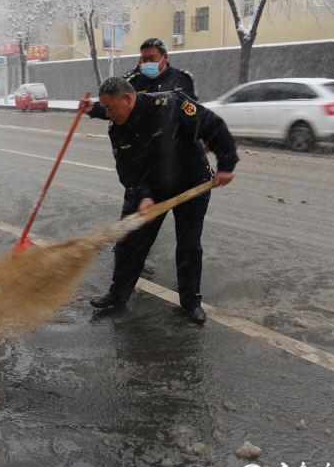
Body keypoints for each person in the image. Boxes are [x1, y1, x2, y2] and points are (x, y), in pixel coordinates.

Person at [78, 76, 239, 324]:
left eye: (109, 107)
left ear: (128, 99)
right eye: (104, 108)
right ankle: (118, 294)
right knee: (131, 240)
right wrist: (141, 196)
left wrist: (226, 164)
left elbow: (213, 127)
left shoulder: (170, 105)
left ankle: (191, 302)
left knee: (188, 244)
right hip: (151, 188)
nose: (107, 114)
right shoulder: (116, 128)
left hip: (191, 183)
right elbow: (126, 169)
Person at [87, 38, 197, 120]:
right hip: (140, 147)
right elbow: (115, 108)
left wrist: (203, 135)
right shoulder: (130, 83)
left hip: (175, 147)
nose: (147, 63)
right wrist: (93, 107)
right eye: (144, 59)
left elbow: (194, 113)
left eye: (152, 58)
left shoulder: (183, 80)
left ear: (165, 57)